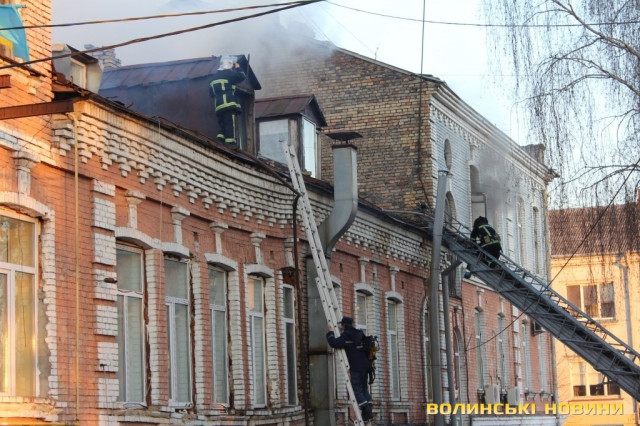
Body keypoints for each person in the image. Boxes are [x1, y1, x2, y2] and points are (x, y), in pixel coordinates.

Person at [326, 316, 374, 422]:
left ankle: (366, 411)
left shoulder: (347, 335)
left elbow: (334, 343)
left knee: (356, 389)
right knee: (364, 388)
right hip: (366, 366)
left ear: (343, 325)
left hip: (356, 367)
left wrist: (330, 333)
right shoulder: (360, 333)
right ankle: (369, 410)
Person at [209, 56, 246, 148]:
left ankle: (220, 139)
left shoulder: (213, 79)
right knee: (229, 123)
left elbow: (212, 94)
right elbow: (242, 76)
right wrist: (238, 67)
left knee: (223, 123)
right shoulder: (229, 75)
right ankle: (230, 143)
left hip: (218, 106)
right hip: (229, 104)